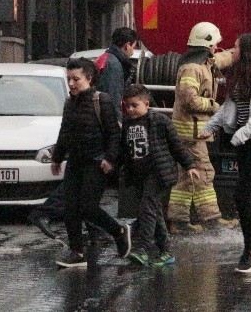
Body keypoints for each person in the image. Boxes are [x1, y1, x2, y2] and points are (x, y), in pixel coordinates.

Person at [200, 33, 251, 274]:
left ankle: (250, 252)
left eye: (235, 47)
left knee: (241, 193)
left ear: (247, 51)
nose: (232, 50)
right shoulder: (240, 76)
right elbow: (228, 107)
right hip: (246, 142)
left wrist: (242, 134)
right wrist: (210, 127)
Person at [52, 58, 132, 268]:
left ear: (89, 78)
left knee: (88, 207)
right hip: (75, 162)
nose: (71, 84)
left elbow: (114, 133)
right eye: (69, 79)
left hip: (97, 163)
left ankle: (118, 231)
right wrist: (57, 157)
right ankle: (77, 252)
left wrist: (110, 158)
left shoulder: (101, 100)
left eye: (76, 79)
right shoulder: (69, 103)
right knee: (70, 208)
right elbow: (65, 132)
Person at [167, 21, 237, 233]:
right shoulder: (192, 69)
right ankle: (211, 219)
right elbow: (190, 100)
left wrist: (236, 52)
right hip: (190, 134)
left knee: (186, 177)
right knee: (204, 172)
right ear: (206, 45)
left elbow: (220, 59)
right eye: (214, 43)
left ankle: (178, 222)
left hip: (193, 133)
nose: (216, 47)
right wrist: (214, 106)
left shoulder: (204, 62)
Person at [121, 84, 200, 267]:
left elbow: (176, 145)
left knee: (147, 208)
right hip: (139, 174)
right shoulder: (127, 124)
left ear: (146, 104)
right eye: (127, 106)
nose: (130, 110)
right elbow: (124, 150)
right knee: (154, 212)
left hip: (159, 173)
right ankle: (166, 251)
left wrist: (189, 165)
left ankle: (143, 248)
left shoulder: (159, 121)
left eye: (134, 105)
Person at [97, 27, 138, 123]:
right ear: (127, 45)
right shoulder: (114, 65)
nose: (132, 52)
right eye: (133, 47)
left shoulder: (106, 58)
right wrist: (117, 123)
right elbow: (113, 98)